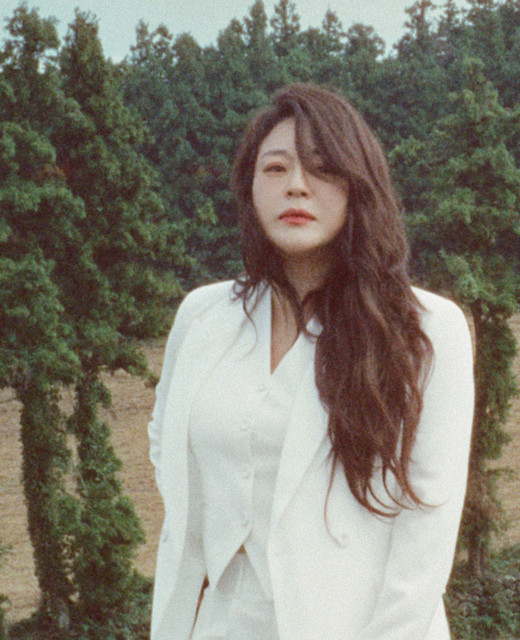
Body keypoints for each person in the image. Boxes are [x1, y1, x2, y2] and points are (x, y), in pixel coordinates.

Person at [148, 83, 474, 640]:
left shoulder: (424, 328)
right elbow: (166, 441)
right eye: (275, 168)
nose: (296, 186)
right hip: (219, 622)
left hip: (360, 626)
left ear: (357, 187)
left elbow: (428, 521)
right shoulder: (202, 316)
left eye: (322, 169)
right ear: (250, 187)